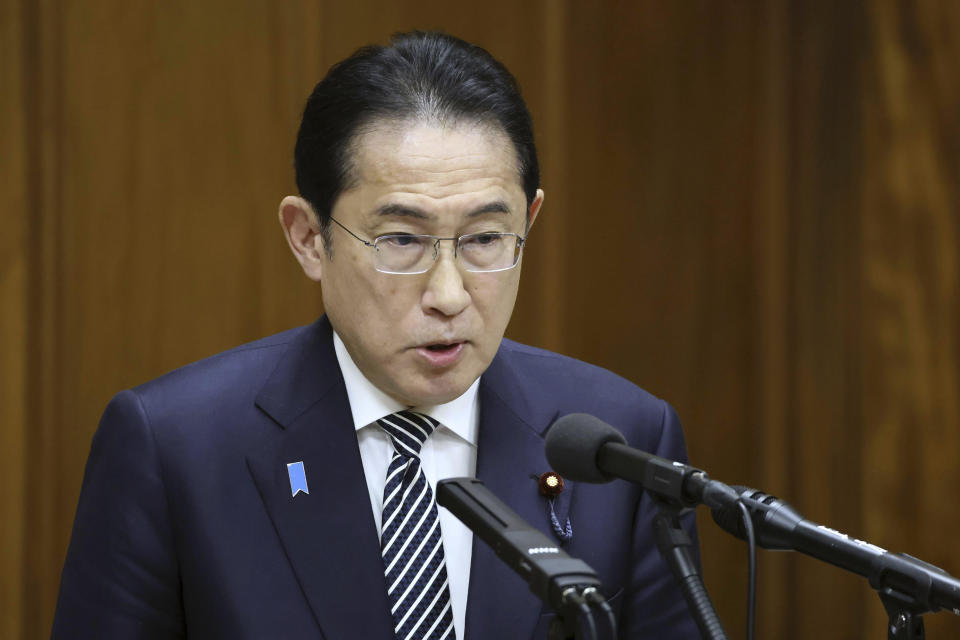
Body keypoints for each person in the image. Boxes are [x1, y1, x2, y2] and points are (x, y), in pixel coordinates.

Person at [53, 31, 701, 639]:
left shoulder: (622, 440)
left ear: (529, 219)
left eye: (483, 239)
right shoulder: (175, 449)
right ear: (309, 237)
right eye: (400, 240)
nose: (448, 295)